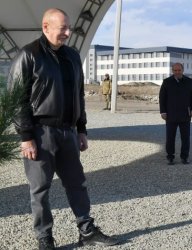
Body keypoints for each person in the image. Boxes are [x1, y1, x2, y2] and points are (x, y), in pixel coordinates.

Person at [7, 8, 119, 249]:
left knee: (77, 183)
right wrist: (26, 136)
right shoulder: (29, 56)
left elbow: (78, 95)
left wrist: (81, 129)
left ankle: (87, 230)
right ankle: (45, 238)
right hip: (40, 132)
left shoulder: (72, 57)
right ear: (46, 27)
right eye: (63, 28)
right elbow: (17, 98)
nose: (68, 32)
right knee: (40, 189)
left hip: (68, 133)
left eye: (69, 28)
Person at [159, 63, 192, 165]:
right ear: (172, 71)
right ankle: (170, 157)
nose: (177, 72)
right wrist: (163, 111)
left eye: (179, 70)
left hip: (185, 115)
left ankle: (184, 157)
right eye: (175, 70)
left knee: (185, 138)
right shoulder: (167, 82)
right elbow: (162, 98)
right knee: (170, 138)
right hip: (170, 115)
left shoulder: (189, 82)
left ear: (182, 70)